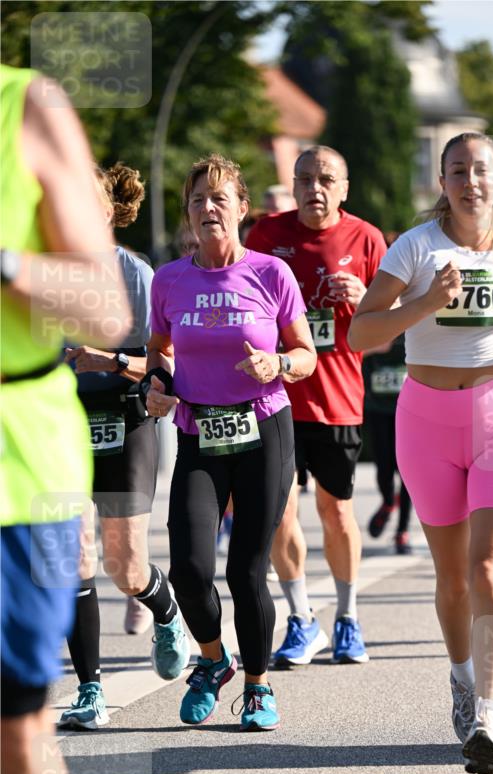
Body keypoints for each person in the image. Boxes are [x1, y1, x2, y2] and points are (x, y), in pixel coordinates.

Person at [349, 132, 493, 774]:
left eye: (481, 170)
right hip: (427, 419)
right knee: (452, 577)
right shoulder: (414, 248)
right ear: (442, 182)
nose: (470, 181)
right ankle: (462, 678)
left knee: (490, 568)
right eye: (458, 171)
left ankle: (490, 719)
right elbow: (361, 333)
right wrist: (426, 302)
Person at [1, 65, 130, 774]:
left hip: (22, 465)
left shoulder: (27, 106)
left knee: (16, 724)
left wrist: (7, 264)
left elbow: (105, 307)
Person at [144, 153, 316, 731]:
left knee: (246, 571)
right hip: (198, 430)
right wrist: (156, 386)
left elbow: (306, 355)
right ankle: (214, 661)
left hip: (264, 427)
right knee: (190, 567)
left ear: (242, 208)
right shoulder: (169, 280)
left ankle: (259, 687)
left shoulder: (271, 274)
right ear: (188, 214)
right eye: (198, 200)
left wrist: (278, 363)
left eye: (220, 198)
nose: (208, 208)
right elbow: (160, 355)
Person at [57, 164, 190, 731]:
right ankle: (90, 689)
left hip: (125, 419)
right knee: (72, 558)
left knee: (124, 566)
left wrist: (104, 360)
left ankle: (164, 608)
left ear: (109, 211)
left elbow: (165, 363)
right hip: (59, 422)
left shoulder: (134, 274)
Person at [246, 145, 387, 666]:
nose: (314, 188)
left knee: (336, 511)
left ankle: (347, 618)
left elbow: (388, 332)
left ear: (343, 187)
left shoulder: (367, 238)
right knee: (280, 513)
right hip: (275, 397)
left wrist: (365, 297)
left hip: (336, 399)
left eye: (326, 178)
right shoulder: (265, 235)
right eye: (304, 178)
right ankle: (302, 620)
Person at [362, 333, 413, 553]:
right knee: (383, 467)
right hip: (377, 408)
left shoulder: (414, 318)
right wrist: (373, 347)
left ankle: (402, 531)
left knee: (408, 473)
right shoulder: (374, 312)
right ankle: (387, 501)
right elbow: (351, 349)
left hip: (409, 410)